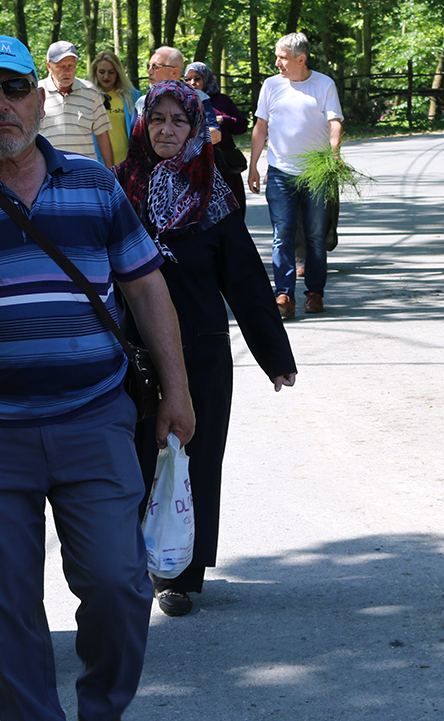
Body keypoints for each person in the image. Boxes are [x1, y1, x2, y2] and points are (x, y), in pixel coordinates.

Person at [0, 34, 196, 721]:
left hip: (94, 421)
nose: (0, 105)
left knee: (120, 587)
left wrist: (177, 390)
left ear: (37, 96)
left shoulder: (94, 188)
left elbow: (147, 290)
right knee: (6, 608)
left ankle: (100, 713)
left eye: (13, 88)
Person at [114, 81, 296, 618]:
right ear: (144, 124)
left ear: (196, 129)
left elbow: (245, 282)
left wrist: (274, 356)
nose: (168, 129)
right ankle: (130, 565)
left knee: (195, 462)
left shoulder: (213, 197)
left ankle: (181, 574)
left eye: (180, 121)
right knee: (132, 461)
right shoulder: (118, 191)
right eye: (159, 119)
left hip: (202, 354)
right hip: (131, 354)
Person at [246, 32, 344, 319]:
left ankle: (314, 293)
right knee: (282, 234)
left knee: (315, 235)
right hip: (280, 172)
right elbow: (260, 127)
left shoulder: (324, 84)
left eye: (283, 57)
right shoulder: (271, 86)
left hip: (315, 172)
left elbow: (334, 122)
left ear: (301, 59)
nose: (277, 62)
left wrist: (334, 152)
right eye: (277, 56)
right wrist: (254, 165)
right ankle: (284, 294)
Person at [183, 60, 249, 214]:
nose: (193, 83)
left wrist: (224, 120)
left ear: (206, 79)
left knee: (234, 207)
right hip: (198, 165)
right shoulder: (183, 101)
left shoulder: (222, 101)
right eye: (188, 79)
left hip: (223, 163)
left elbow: (242, 126)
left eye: (197, 78)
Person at [38, 39, 114, 165]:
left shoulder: (90, 92)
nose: (67, 71)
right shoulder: (36, 93)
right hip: (48, 171)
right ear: (49, 67)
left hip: (85, 171)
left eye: (71, 66)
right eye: (61, 66)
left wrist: (112, 171)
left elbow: (102, 134)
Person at [135, 45, 221, 146]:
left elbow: (215, 135)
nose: (149, 71)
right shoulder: (142, 102)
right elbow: (135, 140)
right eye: (149, 66)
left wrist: (178, 146)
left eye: (155, 67)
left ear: (174, 72)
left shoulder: (198, 98)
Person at [91, 50, 139, 166]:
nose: (106, 76)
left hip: (126, 164)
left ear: (118, 72)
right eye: (101, 72)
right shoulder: (88, 97)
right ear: (95, 72)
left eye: (111, 72)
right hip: (97, 163)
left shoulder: (132, 96)